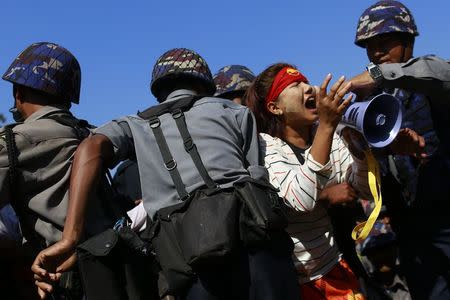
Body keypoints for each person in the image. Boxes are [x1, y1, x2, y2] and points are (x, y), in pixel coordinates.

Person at [33, 48, 299, 300]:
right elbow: (256, 175)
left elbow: (91, 148)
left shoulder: (135, 125)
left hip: (191, 262)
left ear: (159, 90)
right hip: (261, 250)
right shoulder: (234, 112)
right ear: (205, 83)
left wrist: (70, 237)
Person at [346, 1, 450, 299]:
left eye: (384, 42)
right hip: (412, 225)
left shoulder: (430, 76)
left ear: (408, 41)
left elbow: (440, 72)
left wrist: (380, 74)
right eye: (369, 46)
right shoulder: (372, 103)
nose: (376, 52)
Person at [244, 63, 373, 299]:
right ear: (275, 107)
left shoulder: (328, 136)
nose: (309, 88)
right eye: (294, 85)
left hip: (335, 270)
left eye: (305, 81)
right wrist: (326, 126)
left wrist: (359, 153)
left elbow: (364, 190)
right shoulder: (266, 148)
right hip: (297, 284)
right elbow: (301, 200)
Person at [0, 42, 114, 299]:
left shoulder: (12, 143)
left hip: (60, 280)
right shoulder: (91, 134)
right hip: (114, 272)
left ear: (18, 93)